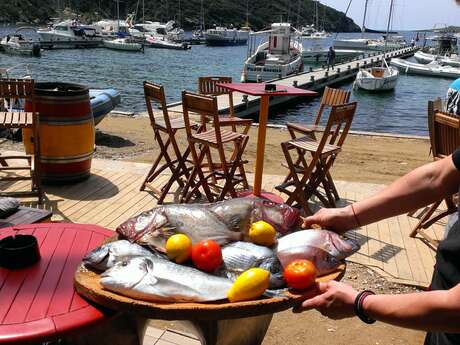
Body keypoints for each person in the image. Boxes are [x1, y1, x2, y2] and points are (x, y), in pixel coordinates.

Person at [295, 151, 460, 345]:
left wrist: (360, 302)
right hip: (440, 310)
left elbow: (455, 310)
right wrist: (349, 215)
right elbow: (437, 177)